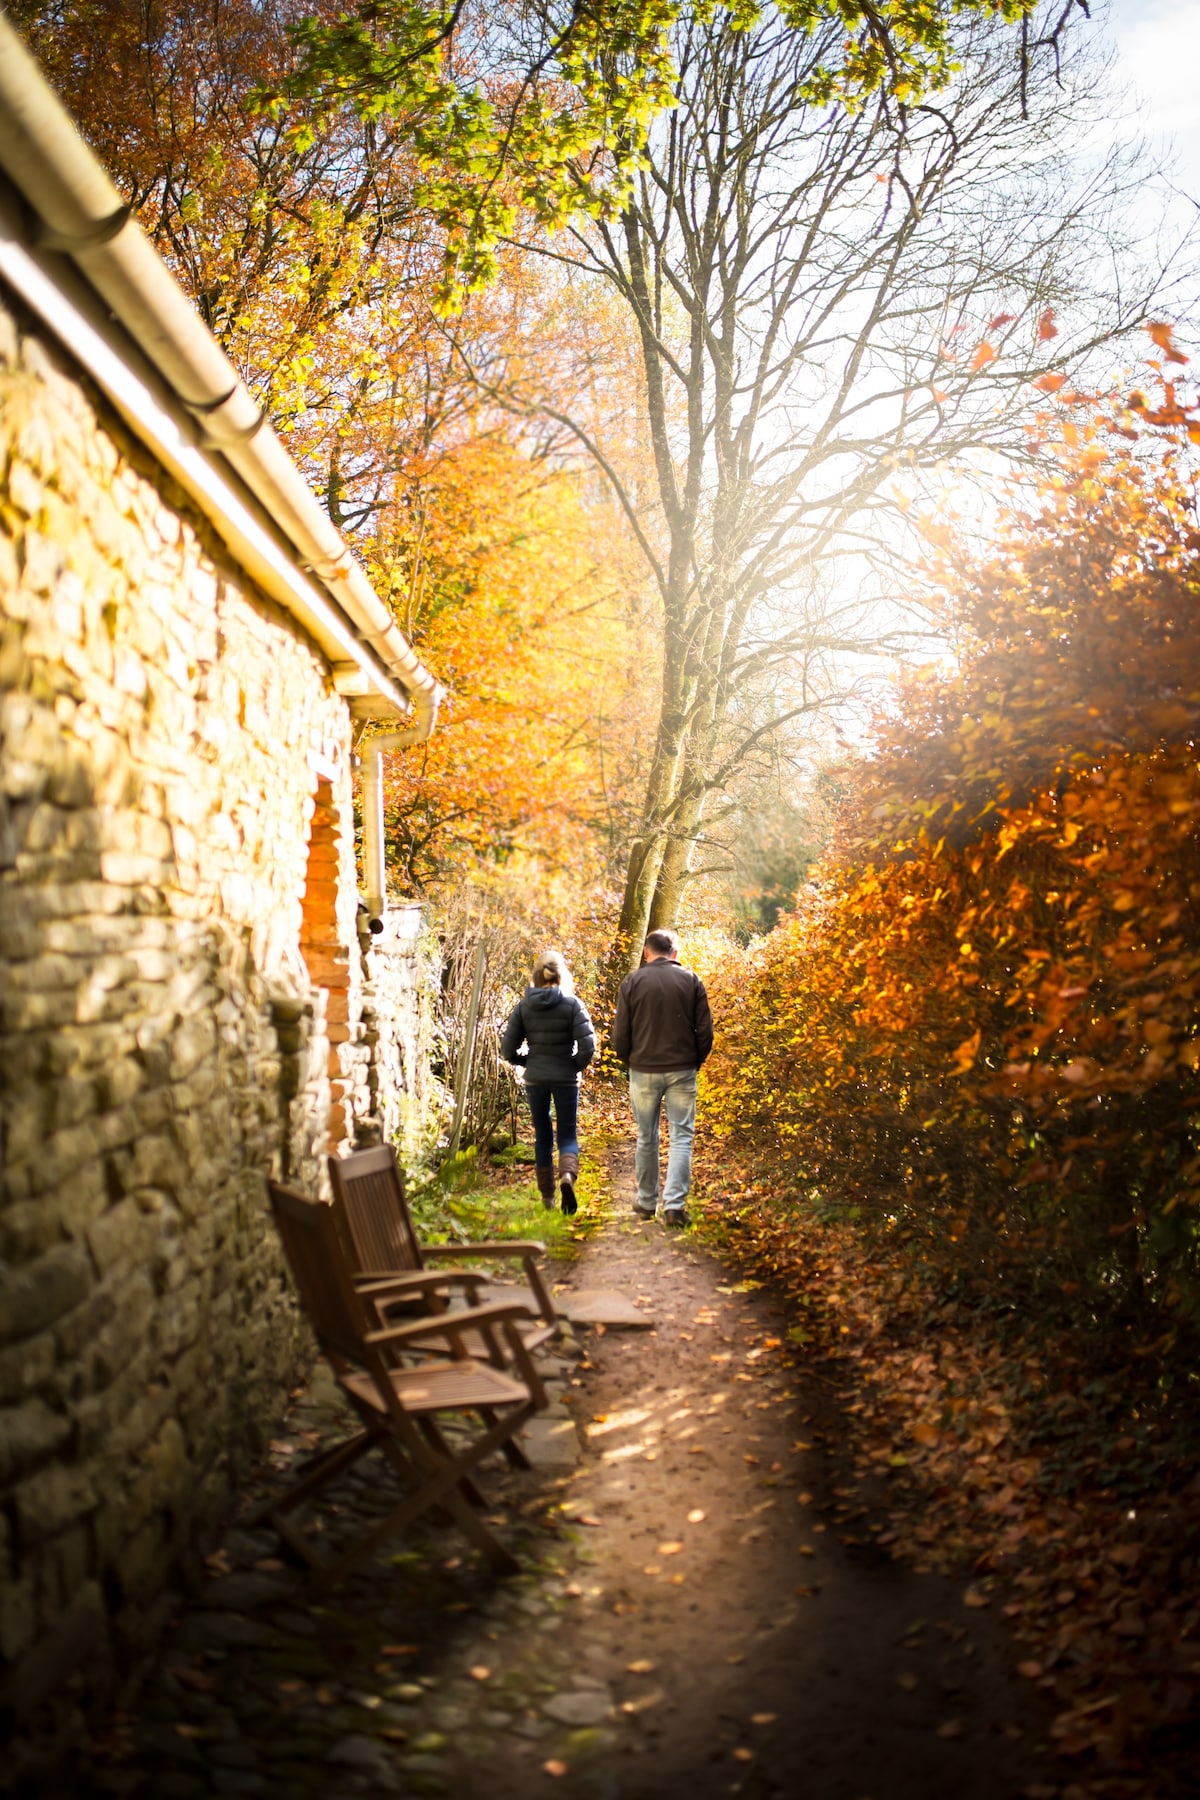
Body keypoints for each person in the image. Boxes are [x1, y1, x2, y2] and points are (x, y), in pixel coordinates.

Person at [611, 928, 713, 1226]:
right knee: (681, 1137)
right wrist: (694, 1061)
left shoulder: (632, 982)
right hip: (681, 1069)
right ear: (675, 954)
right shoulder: (691, 980)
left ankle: (645, 1203)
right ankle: (674, 1207)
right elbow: (705, 1032)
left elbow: (621, 1033)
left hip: (643, 1070)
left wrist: (630, 1059)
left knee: (646, 1137)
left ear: (646, 952)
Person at [501, 950, 596, 1215]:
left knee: (542, 1136)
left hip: (536, 1079)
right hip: (566, 1078)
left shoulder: (523, 1006)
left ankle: (548, 1198)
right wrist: (574, 1065)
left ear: (535, 975)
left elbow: (507, 1049)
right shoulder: (572, 1004)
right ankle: (567, 1176)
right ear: (562, 974)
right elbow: (588, 1045)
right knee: (567, 1134)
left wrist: (526, 1062)